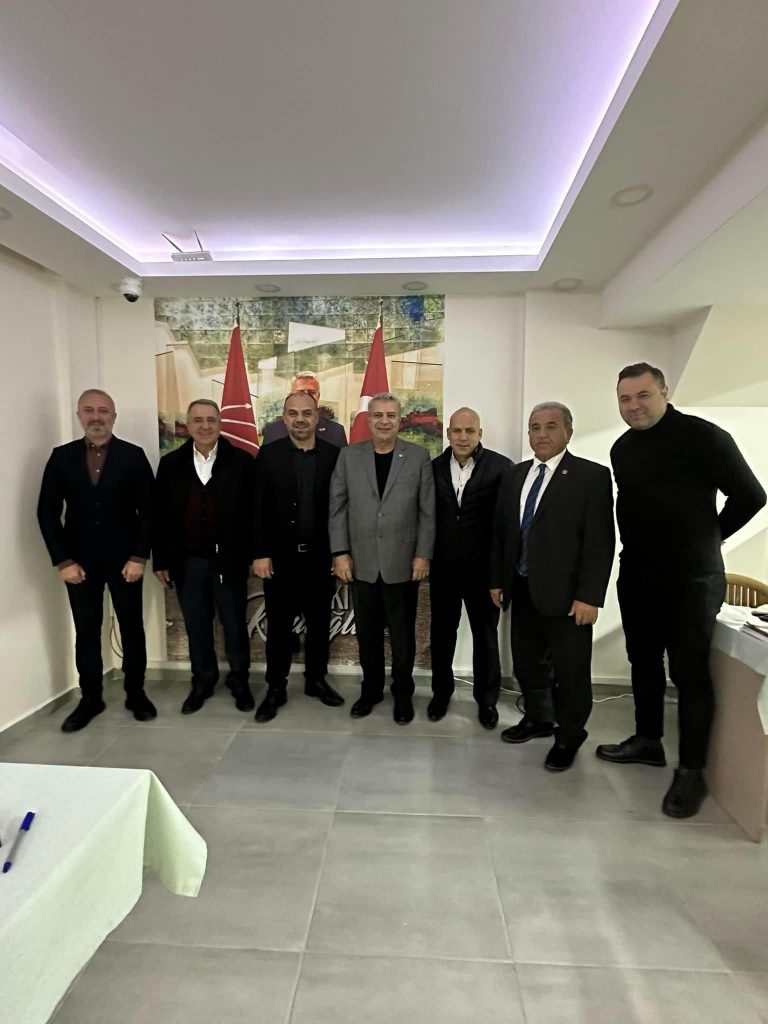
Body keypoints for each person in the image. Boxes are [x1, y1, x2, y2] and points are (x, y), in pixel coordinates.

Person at [596, 363, 766, 817]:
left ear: (664, 392)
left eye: (642, 395)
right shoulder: (622, 448)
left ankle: (691, 771)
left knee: (689, 674)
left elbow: (752, 496)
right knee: (643, 661)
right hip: (638, 573)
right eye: (625, 399)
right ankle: (648, 740)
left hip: (691, 578)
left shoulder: (703, 436)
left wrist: (709, 539)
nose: (633, 406)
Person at [491, 402, 615, 771]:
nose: (541, 434)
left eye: (550, 426)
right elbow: (503, 534)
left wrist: (589, 597)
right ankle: (539, 719)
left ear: (568, 432)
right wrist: (498, 580)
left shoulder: (591, 476)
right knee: (528, 663)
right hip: (522, 589)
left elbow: (600, 542)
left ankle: (569, 735)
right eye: (535, 427)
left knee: (570, 671)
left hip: (568, 597)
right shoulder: (515, 475)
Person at [37, 388, 156, 732]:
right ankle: (91, 699)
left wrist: (139, 556)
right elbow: (46, 513)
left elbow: (150, 511)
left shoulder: (133, 456)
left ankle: (136, 694)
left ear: (113, 416)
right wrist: (63, 561)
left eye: (103, 411)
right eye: (89, 410)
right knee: (87, 631)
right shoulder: (61, 457)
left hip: (126, 562)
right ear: (79, 416)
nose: (96, 417)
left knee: (132, 628)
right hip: (79, 565)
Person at [329, 392, 435, 723]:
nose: (384, 421)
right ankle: (371, 690)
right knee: (368, 634)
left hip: (403, 563)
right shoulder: (349, 456)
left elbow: (427, 511)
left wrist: (422, 554)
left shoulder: (418, 456)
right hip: (361, 563)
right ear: (369, 419)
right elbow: (337, 507)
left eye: (391, 415)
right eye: (378, 415)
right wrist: (340, 552)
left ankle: (403, 694)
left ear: (400, 420)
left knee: (402, 636)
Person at [153, 399, 256, 715]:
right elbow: (159, 516)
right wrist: (161, 560)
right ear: (188, 425)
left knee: (234, 624)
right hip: (187, 562)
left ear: (220, 424)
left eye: (211, 419)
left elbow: (254, 514)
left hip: (230, 561)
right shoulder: (171, 464)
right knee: (196, 625)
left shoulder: (241, 461)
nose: (205, 426)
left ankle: (239, 680)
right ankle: (203, 681)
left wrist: (254, 555)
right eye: (198, 420)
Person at [251, 391, 344, 721]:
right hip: (280, 560)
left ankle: (316, 680)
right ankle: (276, 687)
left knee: (319, 624)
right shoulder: (268, 455)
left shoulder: (335, 456)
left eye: (307, 413)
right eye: (293, 413)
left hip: (321, 558)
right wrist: (260, 553)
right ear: (284, 418)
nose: (300, 419)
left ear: (317, 417)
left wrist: (340, 552)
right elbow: (256, 508)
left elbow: (342, 508)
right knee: (278, 627)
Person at [429, 407, 511, 728]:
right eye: (457, 431)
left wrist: (500, 575)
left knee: (486, 638)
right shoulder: (433, 468)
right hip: (444, 569)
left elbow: (505, 527)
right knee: (442, 635)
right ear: (448, 433)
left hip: (484, 573)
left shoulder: (502, 468)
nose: (463, 437)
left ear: (480, 434)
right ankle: (441, 693)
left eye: (470, 431)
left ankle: (487, 701)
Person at [262, 371, 347, 447]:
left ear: (318, 396)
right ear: (290, 396)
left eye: (312, 392)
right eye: (300, 392)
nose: (307, 397)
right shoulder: (273, 430)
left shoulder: (336, 432)